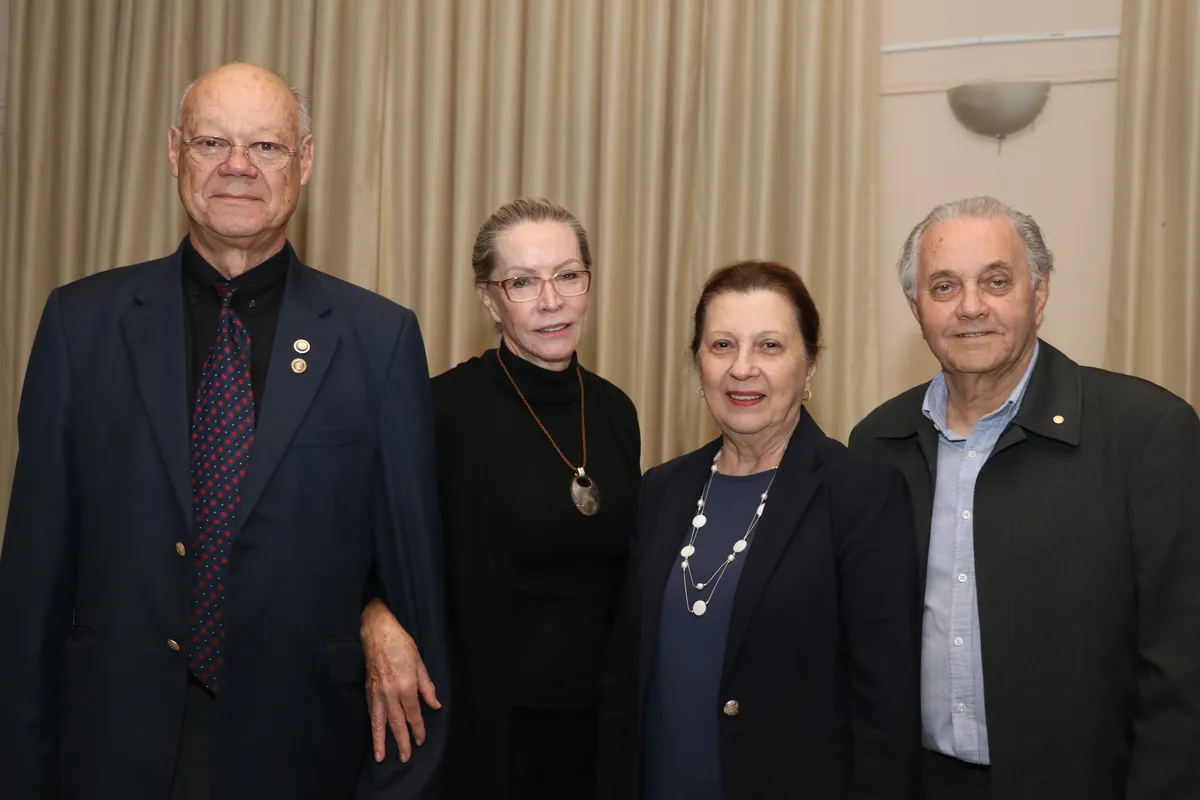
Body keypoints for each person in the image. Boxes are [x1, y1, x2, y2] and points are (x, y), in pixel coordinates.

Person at [0, 62, 448, 799]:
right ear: (175, 152)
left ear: (304, 161)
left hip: (303, 751)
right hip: (110, 747)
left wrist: (377, 610)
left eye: (266, 147)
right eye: (213, 142)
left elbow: (410, 572)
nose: (237, 167)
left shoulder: (380, 341)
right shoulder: (81, 326)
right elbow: (33, 577)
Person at [849, 196, 1200, 799]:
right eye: (943, 286)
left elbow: (1182, 669)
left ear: (1039, 295)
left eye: (996, 281)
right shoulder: (878, 443)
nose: (970, 308)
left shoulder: (1148, 431)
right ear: (915, 308)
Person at [598, 260, 920, 799]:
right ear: (697, 361)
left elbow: (886, 708)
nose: (742, 368)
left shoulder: (861, 495)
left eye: (770, 347)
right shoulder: (660, 490)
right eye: (722, 345)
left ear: (810, 365)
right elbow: (623, 679)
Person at [360, 197, 642, 798]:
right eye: (522, 282)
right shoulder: (440, 411)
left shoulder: (617, 411)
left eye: (568, 275)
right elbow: (368, 546)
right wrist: (374, 615)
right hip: (486, 738)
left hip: (603, 738)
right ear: (488, 299)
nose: (551, 300)